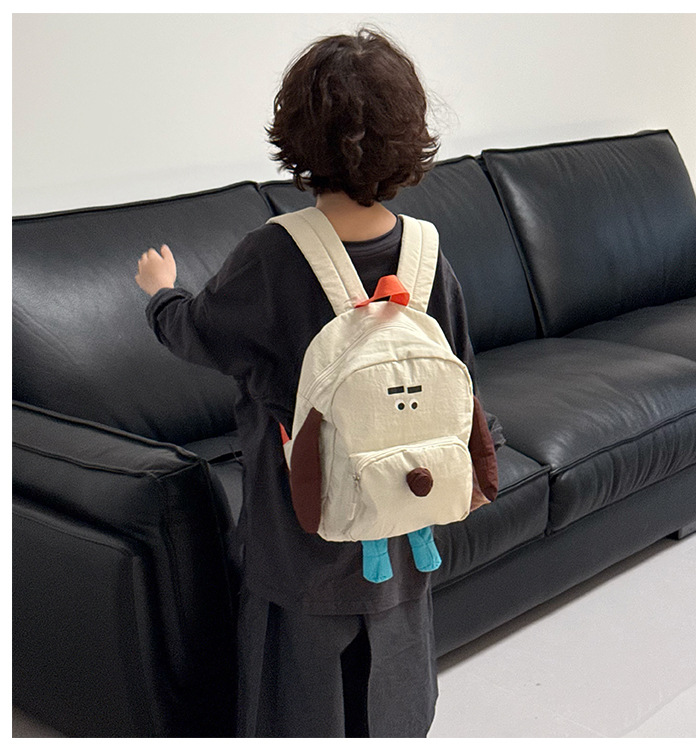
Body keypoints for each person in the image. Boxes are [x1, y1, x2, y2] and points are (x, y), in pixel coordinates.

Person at [135, 26, 503, 738]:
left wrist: (161, 293)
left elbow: (199, 334)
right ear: (408, 135)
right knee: (393, 693)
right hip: (405, 523)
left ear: (300, 134)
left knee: (296, 699)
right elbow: (463, 381)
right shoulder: (428, 253)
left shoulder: (273, 255)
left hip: (299, 540)